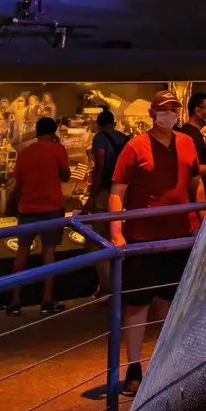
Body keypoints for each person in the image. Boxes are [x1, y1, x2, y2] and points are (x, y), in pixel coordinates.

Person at [108, 90, 205, 397]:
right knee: (137, 306)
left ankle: (167, 364)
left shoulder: (187, 143)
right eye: (165, 110)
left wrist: (200, 220)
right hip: (143, 240)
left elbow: (195, 184)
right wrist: (117, 232)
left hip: (178, 236)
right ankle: (134, 368)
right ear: (152, 113)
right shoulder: (135, 146)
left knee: (171, 303)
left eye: (174, 110)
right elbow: (117, 191)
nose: (171, 116)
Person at [7, 115, 72, 316]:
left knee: (21, 253)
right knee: (49, 252)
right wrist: (58, 145)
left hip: (27, 209)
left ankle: (15, 300)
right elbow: (66, 175)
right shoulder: (57, 149)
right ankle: (46, 300)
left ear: (36, 133)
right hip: (51, 208)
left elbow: (18, 183)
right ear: (54, 132)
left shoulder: (24, 153)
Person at [87, 104, 129, 299]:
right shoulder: (124, 138)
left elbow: (100, 164)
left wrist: (93, 194)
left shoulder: (100, 138)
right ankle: (122, 282)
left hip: (105, 193)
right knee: (117, 235)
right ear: (114, 123)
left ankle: (107, 286)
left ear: (98, 126)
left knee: (97, 239)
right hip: (123, 193)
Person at [177, 90, 206, 199]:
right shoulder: (189, 135)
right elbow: (194, 170)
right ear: (198, 111)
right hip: (199, 197)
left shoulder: (196, 133)